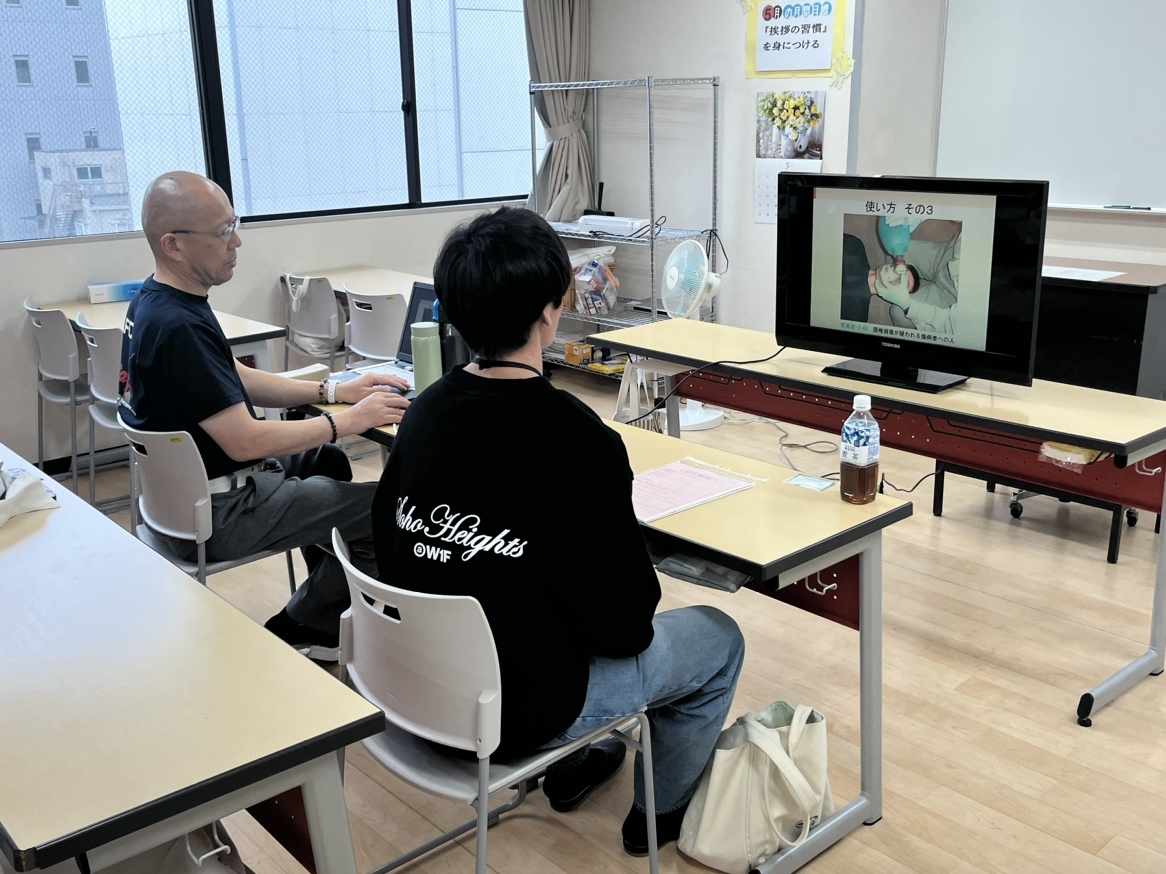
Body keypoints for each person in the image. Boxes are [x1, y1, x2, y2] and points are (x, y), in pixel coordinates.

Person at [369, 207, 745, 857]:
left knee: (532, 599)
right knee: (717, 637)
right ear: (551, 314)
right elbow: (626, 628)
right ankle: (656, 818)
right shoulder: (579, 439)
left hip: (415, 692)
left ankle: (578, 761)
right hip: (519, 711)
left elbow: (391, 549)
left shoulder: (421, 415)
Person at [119, 171, 409, 660]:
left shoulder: (158, 302)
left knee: (326, 460)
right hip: (220, 513)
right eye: (221, 233)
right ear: (173, 245)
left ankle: (327, 600)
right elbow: (245, 441)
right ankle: (308, 621)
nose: (236, 242)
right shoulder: (178, 327)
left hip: (184, 501)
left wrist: (332, 390)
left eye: (234, 225)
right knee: (383, 509)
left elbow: (232, 375)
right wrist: (350, 419)